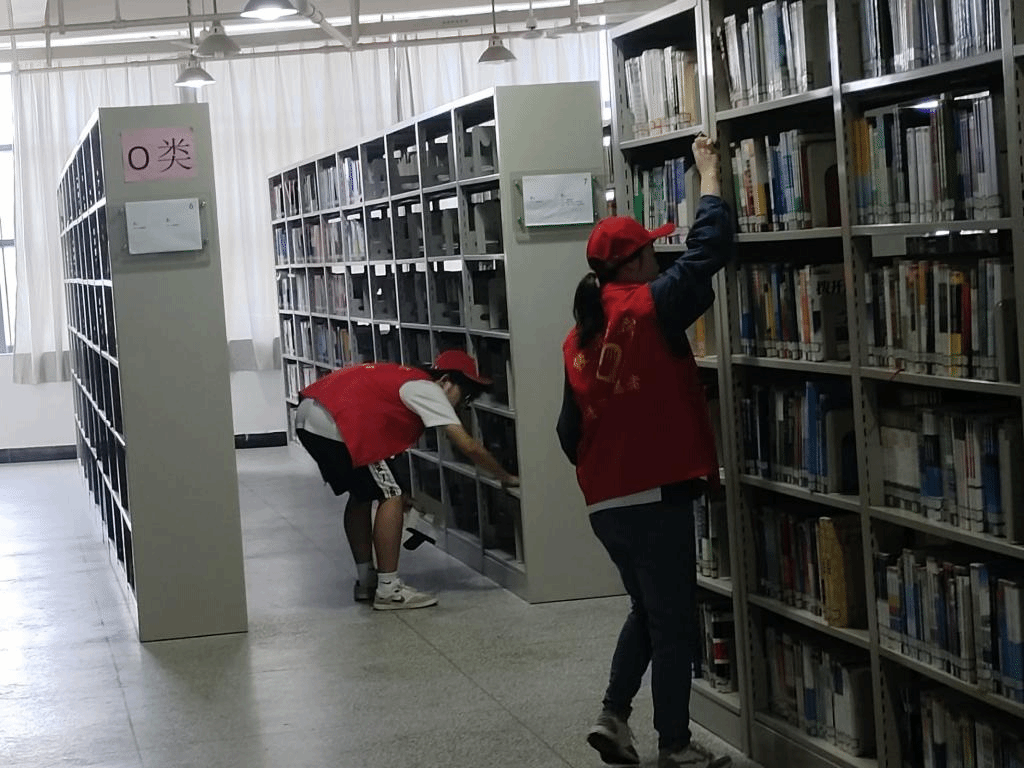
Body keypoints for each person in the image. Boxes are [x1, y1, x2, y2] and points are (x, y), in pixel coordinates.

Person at [556, 134, 734, 768]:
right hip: (654, 492)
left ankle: (613, 716)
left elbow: (567, 432)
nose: (661, 258)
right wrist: (709, 173)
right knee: (674, 622)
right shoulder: (650, 306)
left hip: (605, 501)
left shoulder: (580, 335)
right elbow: (710, 249)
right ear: (631, 264)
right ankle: (676, 746)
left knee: (648, 609)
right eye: (652, 251)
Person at [296, 349, 519, 611]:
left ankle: (367, 580)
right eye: (466, 394)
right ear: (446, 381)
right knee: (390, 495)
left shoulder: (407, 378)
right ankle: (389, 590)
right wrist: (505, 476)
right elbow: (468, 446)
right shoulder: (429, 390)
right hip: (336, 423)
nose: (462, 404)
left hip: (312, 416)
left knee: (362, 495)